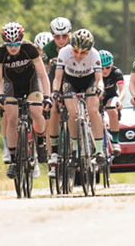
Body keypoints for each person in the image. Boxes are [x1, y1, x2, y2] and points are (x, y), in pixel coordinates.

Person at [0, 21, 51, 179]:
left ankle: (40, 141)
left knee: (36, 112)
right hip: (11, 85)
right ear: (5, 42)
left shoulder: (29, 49)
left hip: (32, 83)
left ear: (21, 40)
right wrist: (0, 96)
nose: (13, 47)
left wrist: (47, 96)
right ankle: (13, 160)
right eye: (9, 44)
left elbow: (43, 75)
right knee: (11, 118)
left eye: (16, 43)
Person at [49, 28, 106, 173]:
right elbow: (58, 78)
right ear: (71, 48)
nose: (79, 55)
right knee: (73, 114)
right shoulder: (64, 52)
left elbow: (99, 79)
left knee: (93, 110)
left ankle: (99, 151)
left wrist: (100, 88)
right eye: (76, 51)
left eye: (83, 53)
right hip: (70, 81)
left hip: (89, 80)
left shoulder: (94, 54)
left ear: (89, 51)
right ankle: (74, 150)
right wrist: (55, 91)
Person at [42, 17, 72, 161]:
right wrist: (45, 94)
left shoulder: (74, 45)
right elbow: (44, 73)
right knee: (54, 109)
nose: (61, 39)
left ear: (70, 35)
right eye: (57, 36)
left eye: (64, 36)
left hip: (72, 78)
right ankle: (54, 151)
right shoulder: (48, 49)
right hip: (55, 79)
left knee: (75, 111)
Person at [99, 49, 126, 155]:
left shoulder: (116, 72)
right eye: (101, 68)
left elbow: (122, 89)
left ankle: (115, 141)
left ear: (112, 65)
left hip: (110, 96)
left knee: (112, 110)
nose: (104, 71)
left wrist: (119, 100)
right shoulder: (94, 73)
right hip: (98, 97)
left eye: (107, 67)